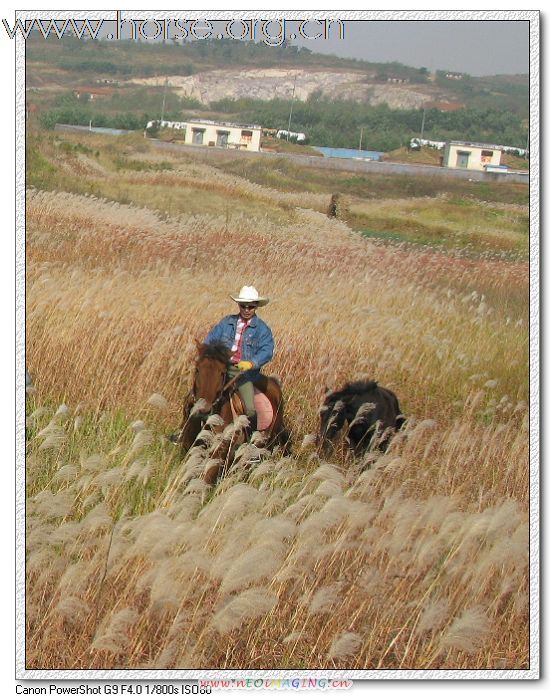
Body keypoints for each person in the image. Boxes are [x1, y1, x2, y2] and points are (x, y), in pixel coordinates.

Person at [204, 285, 274, 436]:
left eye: (251, 306)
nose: (247, 309)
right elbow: (209, 341)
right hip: (222, 369)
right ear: (239, 305)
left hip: (244, 374)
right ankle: (184, 431)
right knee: (198, 397)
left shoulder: (262, 329)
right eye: (243, 306)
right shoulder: (226, 322)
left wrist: (251, 363)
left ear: (256, 306)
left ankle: (251, 443)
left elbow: (267, 351)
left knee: (249, 408)